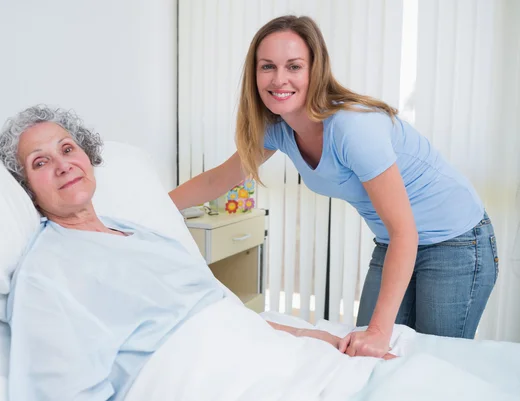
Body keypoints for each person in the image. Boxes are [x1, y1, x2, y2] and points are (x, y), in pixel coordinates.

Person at [0, 105, 395, 401]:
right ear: (25, 187)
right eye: (40, 162)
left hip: (267, 357)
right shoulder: (46, 272)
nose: (63, 165)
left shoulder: (141, 234)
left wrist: (309, 335)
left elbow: (222, 308)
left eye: (67, 149)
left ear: (88, 157)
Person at [169, 15, 499, 358]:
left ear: (316, 70)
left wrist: (378, 331)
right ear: (254, 74)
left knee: (431, 361)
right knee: (364, 357)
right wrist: (153, 206)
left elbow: (406, 232)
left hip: (457, 241)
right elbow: (218, 179)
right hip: (395, 240)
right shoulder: (278, 129)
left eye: (293, 66)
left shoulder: (353, 128)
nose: (279, 78)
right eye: (267, 66)